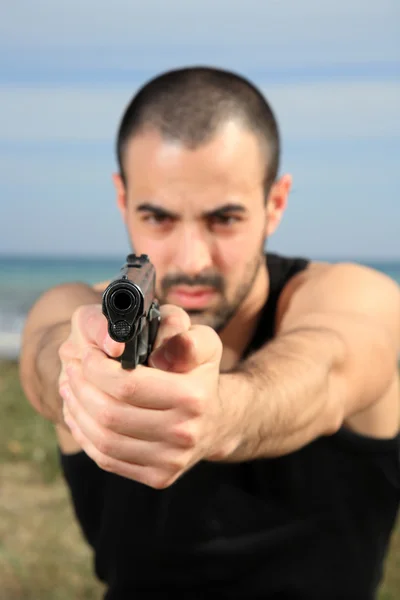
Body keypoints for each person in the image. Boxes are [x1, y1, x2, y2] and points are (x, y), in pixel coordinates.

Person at [19, 66, 400, 600]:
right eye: (159, 218)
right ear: (122, 198)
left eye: (224, 219)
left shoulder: (353, 296)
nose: (193, 260)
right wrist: (79, 375)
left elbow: (330, 365)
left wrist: (223, 414)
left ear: (276, 203)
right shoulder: (79, 314)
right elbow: (44, 353)